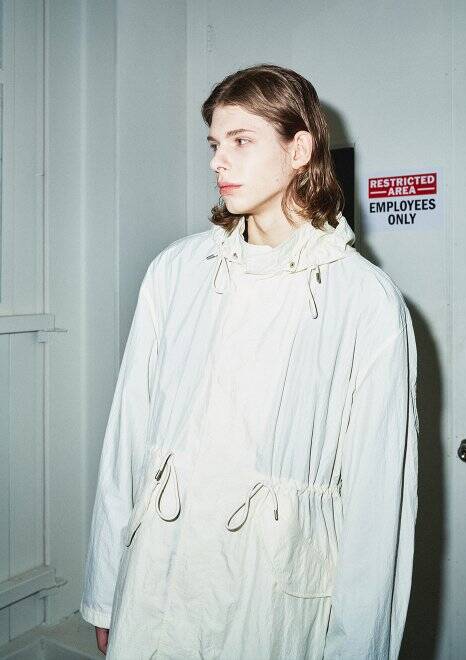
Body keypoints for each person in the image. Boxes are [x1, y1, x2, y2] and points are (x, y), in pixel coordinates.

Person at [80, 63, 419, 659]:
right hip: (158, 585)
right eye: (214, 143)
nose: (218, 161)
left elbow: (378, 505)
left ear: (299, 150)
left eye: (241, 141)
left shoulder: (365, 300)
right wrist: (106, 592)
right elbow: (126, 439)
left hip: (271, 605)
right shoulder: (176, 272)